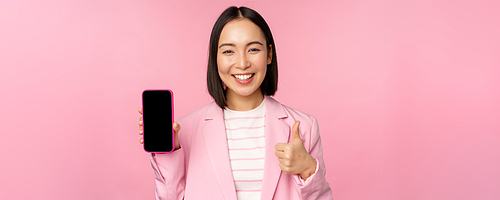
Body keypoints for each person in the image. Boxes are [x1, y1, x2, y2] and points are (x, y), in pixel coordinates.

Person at [138, 6, 333, 200]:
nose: (242, 63)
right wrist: (168, 151)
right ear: (215, 58)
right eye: (229, 51)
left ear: (269, 54)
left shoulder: (304, 127)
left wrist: (308, 168)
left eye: (253, 49)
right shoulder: (185, 132)